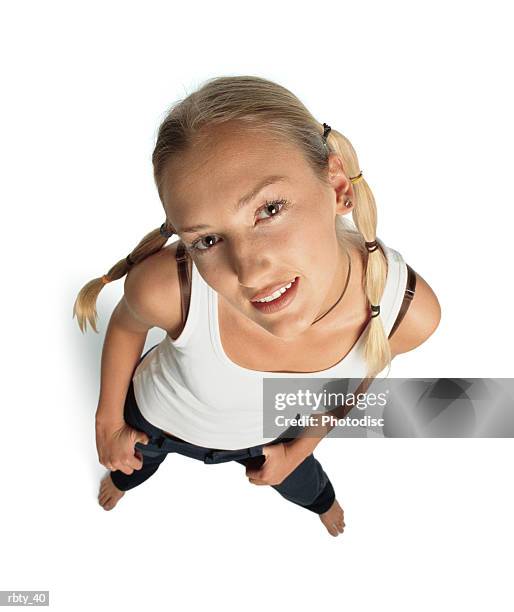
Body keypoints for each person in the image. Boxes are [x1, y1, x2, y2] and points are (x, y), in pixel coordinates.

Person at [73, 75, 441, 537]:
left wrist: (299, 451)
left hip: (270, 437)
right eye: (207, 239)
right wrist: (108, 424)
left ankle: (324, 505)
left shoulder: (405, 312)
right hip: (158, 422)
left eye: (268, 210)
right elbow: (126, 328)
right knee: (132, 466)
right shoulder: (171, 287)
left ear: (338, 185)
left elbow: (357, 376)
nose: (248, 271)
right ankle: (126, 481)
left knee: (305, 486)